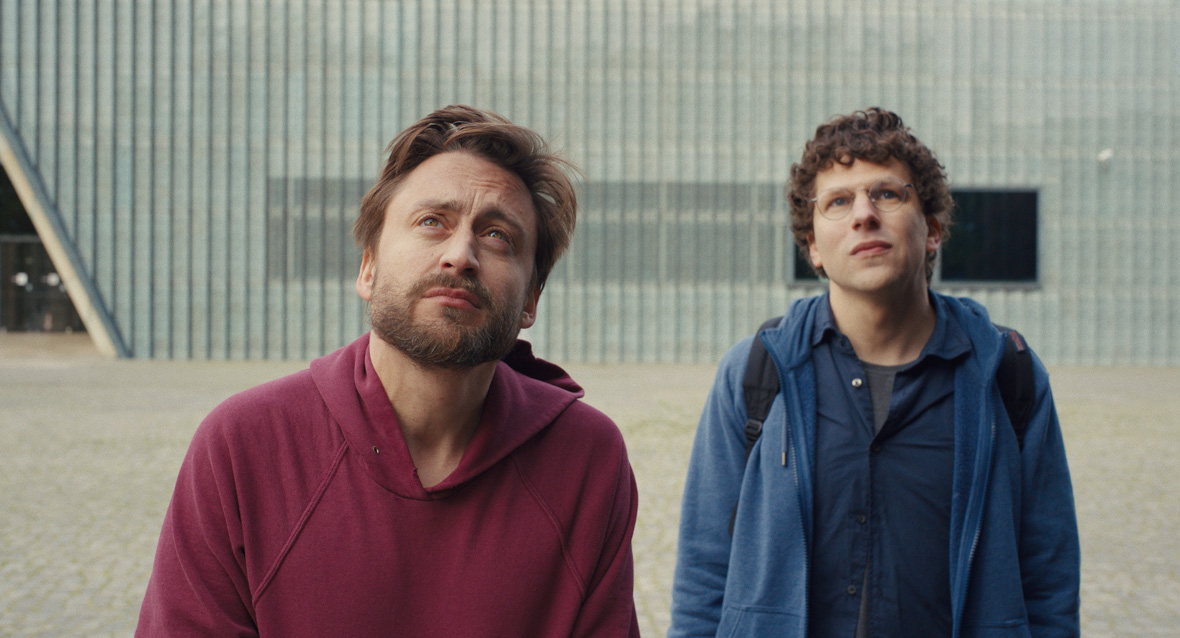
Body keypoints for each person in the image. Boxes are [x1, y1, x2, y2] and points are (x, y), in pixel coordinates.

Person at [137, 105, 640, 637]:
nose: (460, 254)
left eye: (497, 236)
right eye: (431, 222)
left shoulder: (588, 460)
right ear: (369, 267)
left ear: (530, 301)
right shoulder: (244, 446)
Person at [669, 108, 1079, 637]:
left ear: (932, 230)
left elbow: (1048, 580)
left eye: (887, 194)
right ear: (814, 247)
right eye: (838, 201)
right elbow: (705, 571)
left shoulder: (1007, 373)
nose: (864, 213)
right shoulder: (756, 373)